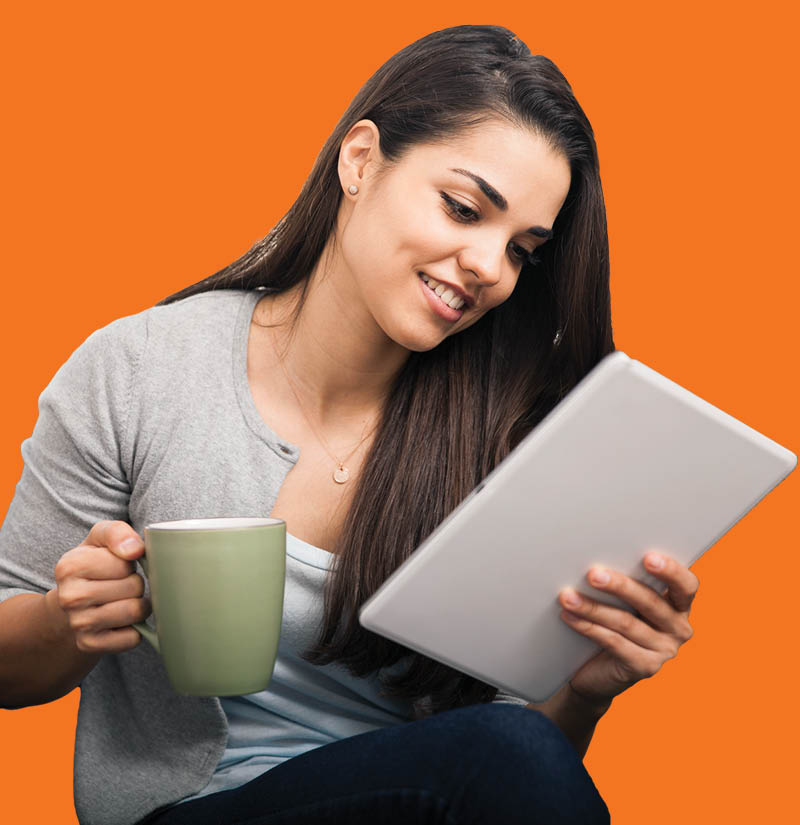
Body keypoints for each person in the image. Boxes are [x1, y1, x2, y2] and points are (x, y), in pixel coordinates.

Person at [0, 24, 698, 825]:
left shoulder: (502, 434)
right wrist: (68, 621)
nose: (489, 268)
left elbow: (516, 772)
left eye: (522, 250)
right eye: (464, 208)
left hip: (406, 802)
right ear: (360, 160)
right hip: (189, 808)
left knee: (514, 750)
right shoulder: (142, 367)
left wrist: (582, 691)